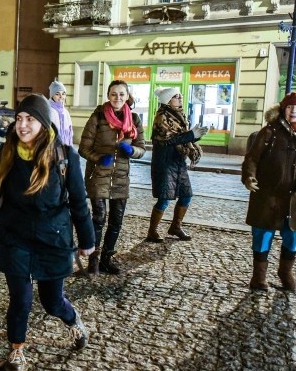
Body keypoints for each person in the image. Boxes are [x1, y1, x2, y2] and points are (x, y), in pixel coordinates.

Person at [0, 94, 95, 371]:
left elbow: (78, 201)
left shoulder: (64, 156)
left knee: (52, 302)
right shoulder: (7, 153)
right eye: (19, 119)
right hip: (15, 237)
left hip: (53, 238)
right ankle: (16, 350)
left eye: (30, 119)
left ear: (43, 123)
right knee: (21, 300)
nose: (22, 125)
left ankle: (72, 319)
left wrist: (87, 241)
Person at [241, 91, 296, 292]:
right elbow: (251, 159)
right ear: (284, 109)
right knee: (262, 236)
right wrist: (249, 177)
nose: (294, 111)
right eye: (290, 107)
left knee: (293, 237)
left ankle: (285, 272)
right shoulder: (269, 131)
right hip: (267, 196)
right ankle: (258, 278)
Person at [78, 79, 145, 275]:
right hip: (98, 175)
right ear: (108, 95)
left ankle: (107, 259)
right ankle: (94, 261)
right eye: (114, 94)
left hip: (121, 177)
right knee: (98, 218)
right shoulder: (98, 116)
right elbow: (83, 148)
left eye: (121, 94)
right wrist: (100, 158)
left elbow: (142, 149)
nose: (117, 98)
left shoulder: (134, 119)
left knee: (116, 220)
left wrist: (131, 150)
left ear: (127, 96)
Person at [146, 87, 209, 242]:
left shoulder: (179, 115)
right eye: (176, 96)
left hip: (178, 161)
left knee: (187, 195)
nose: (180, 99)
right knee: (165, 198)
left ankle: (176, 226)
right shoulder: (162, 117)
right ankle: (152, 231)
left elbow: (181, 138)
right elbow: (168, 141)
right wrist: (191, 135)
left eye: (180, 96)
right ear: (168, 100)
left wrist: (196, 136)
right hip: (165, 163)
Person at [48, 80, 74, 147]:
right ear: (52, 95)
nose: (61, 96)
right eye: (57, 94)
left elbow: (69, 131)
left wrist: (70, 146)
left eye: (63, 94)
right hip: (53, 146)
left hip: (65, 146)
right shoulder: (49, 110)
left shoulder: (65, 112)